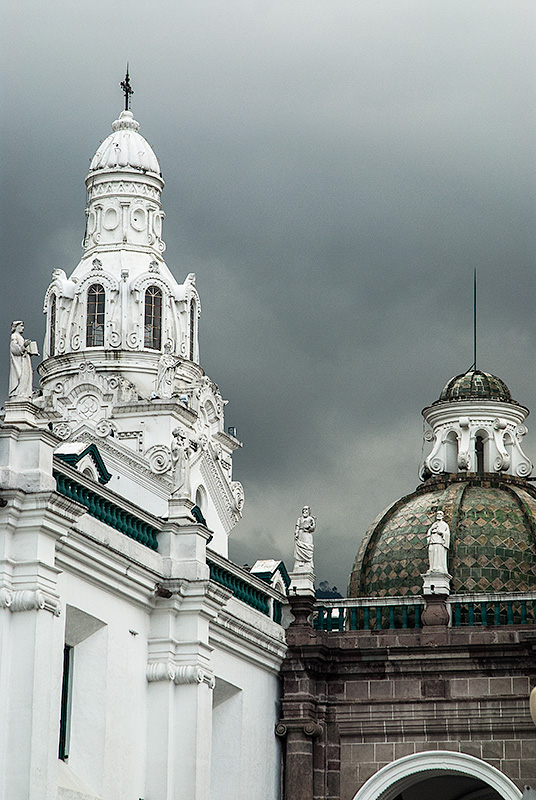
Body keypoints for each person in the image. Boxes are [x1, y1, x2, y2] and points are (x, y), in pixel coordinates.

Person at [9, 321, 36, 398]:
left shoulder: (20, 337)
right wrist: (24, 346)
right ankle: (19, 392)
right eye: (21, 326)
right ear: (16, 326)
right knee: (21, 376)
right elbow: (14, 349)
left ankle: (24, 392)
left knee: (26, 376)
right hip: (20, 361)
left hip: (25, 359)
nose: (23, 328)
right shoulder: (14, 336)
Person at [293, 506, 316, 571]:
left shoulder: (311, 519)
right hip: (301, 534)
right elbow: (297, 526)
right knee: (300, 547)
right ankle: (300, 562)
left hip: (307, 534)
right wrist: (296, 533)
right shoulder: (299, 519)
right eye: (303, 510)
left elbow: (313, 527)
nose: (304, 511)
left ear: (309, 511)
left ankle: (308, 562)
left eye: (306, 510)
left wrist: (309, 527)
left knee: (307, 548)